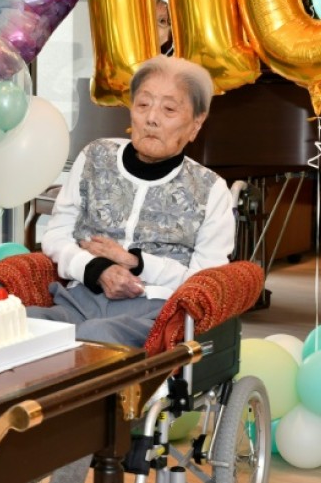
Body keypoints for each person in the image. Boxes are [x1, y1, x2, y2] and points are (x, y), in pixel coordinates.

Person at [27, 55, 234, 348]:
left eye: (169, 109)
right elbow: (56, 234)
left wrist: (136, 262)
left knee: (96, 340)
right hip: (77, 300)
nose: (151, 118)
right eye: (143, 104)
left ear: (196, 125)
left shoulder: (211, 190)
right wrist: (96, 269)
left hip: (152, 313)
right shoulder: (95, 157)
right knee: (18, 329)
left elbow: (207, 281)